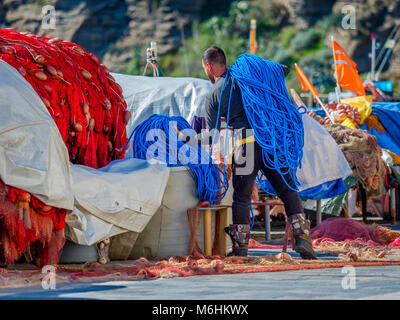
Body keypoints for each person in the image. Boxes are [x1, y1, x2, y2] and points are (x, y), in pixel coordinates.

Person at [179, 46, 316, 259]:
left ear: (208, 66)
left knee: (242, 198)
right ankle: (302, 238)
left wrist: (185, 138)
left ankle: (241, 248)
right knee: (287, 190)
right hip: (270, 141)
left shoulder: (215, 93)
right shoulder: (249, 77)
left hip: (246, 144)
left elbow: (210, 137)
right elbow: (283, 70)